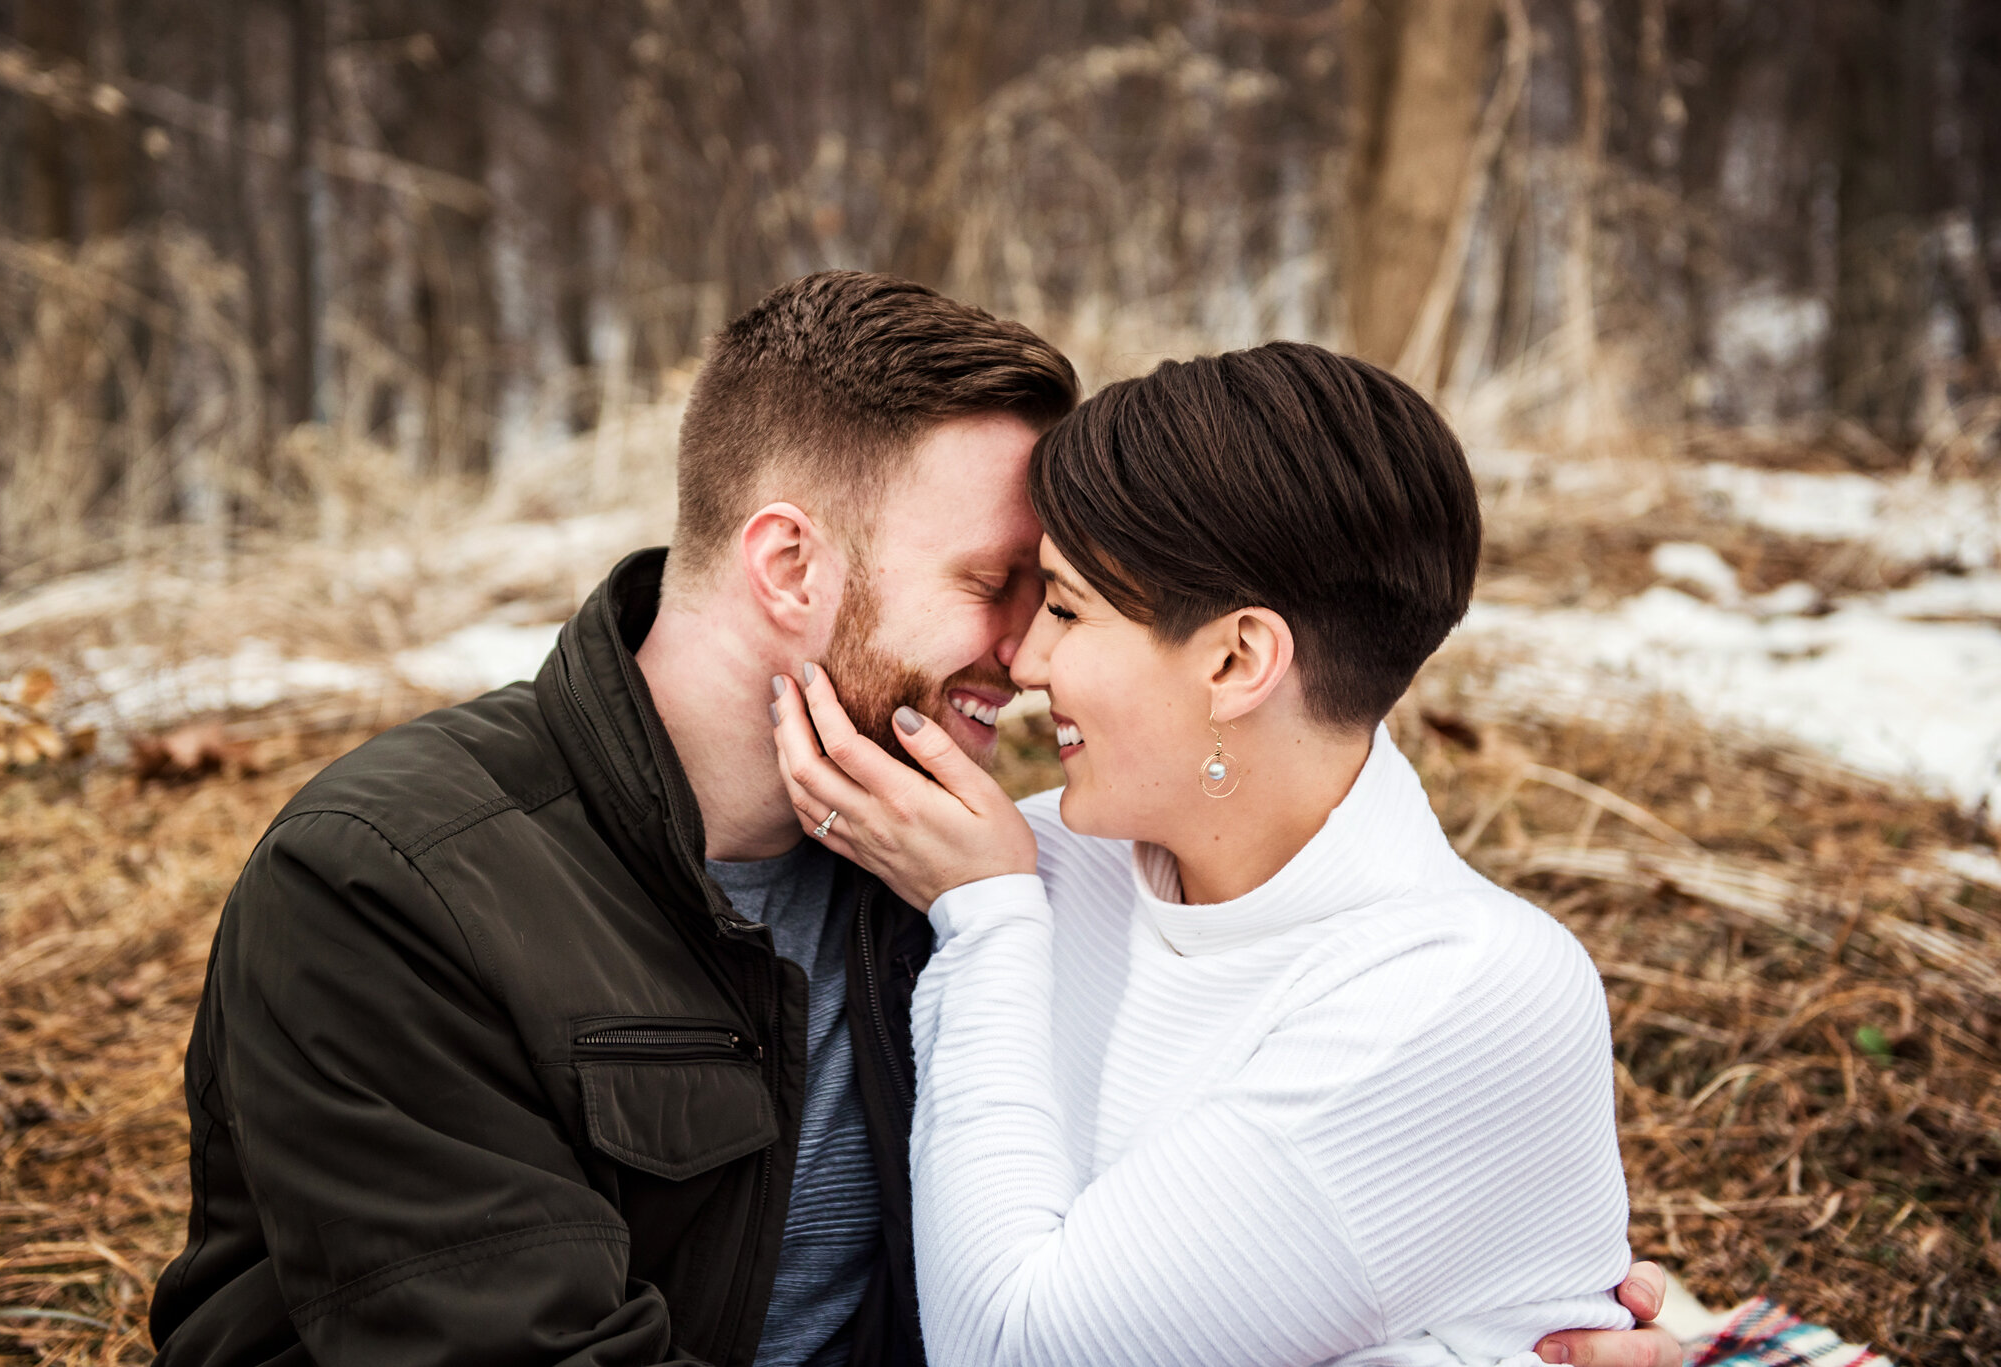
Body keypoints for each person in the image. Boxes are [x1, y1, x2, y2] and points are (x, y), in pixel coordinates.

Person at [150, 273, 1677, 1367]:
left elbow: (1238, 1219)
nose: (1021, 658)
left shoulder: (946, 866)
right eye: (995, 585)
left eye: (1059, 595)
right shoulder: (392, 888)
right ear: (790, 570)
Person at [770, 340, 1650, 1366]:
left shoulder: (1467, 990)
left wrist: (985, 920)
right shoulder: (1044, 857)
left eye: (1064, 606)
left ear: (1235, 658)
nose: (1023, 658)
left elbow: (1007, 1348)